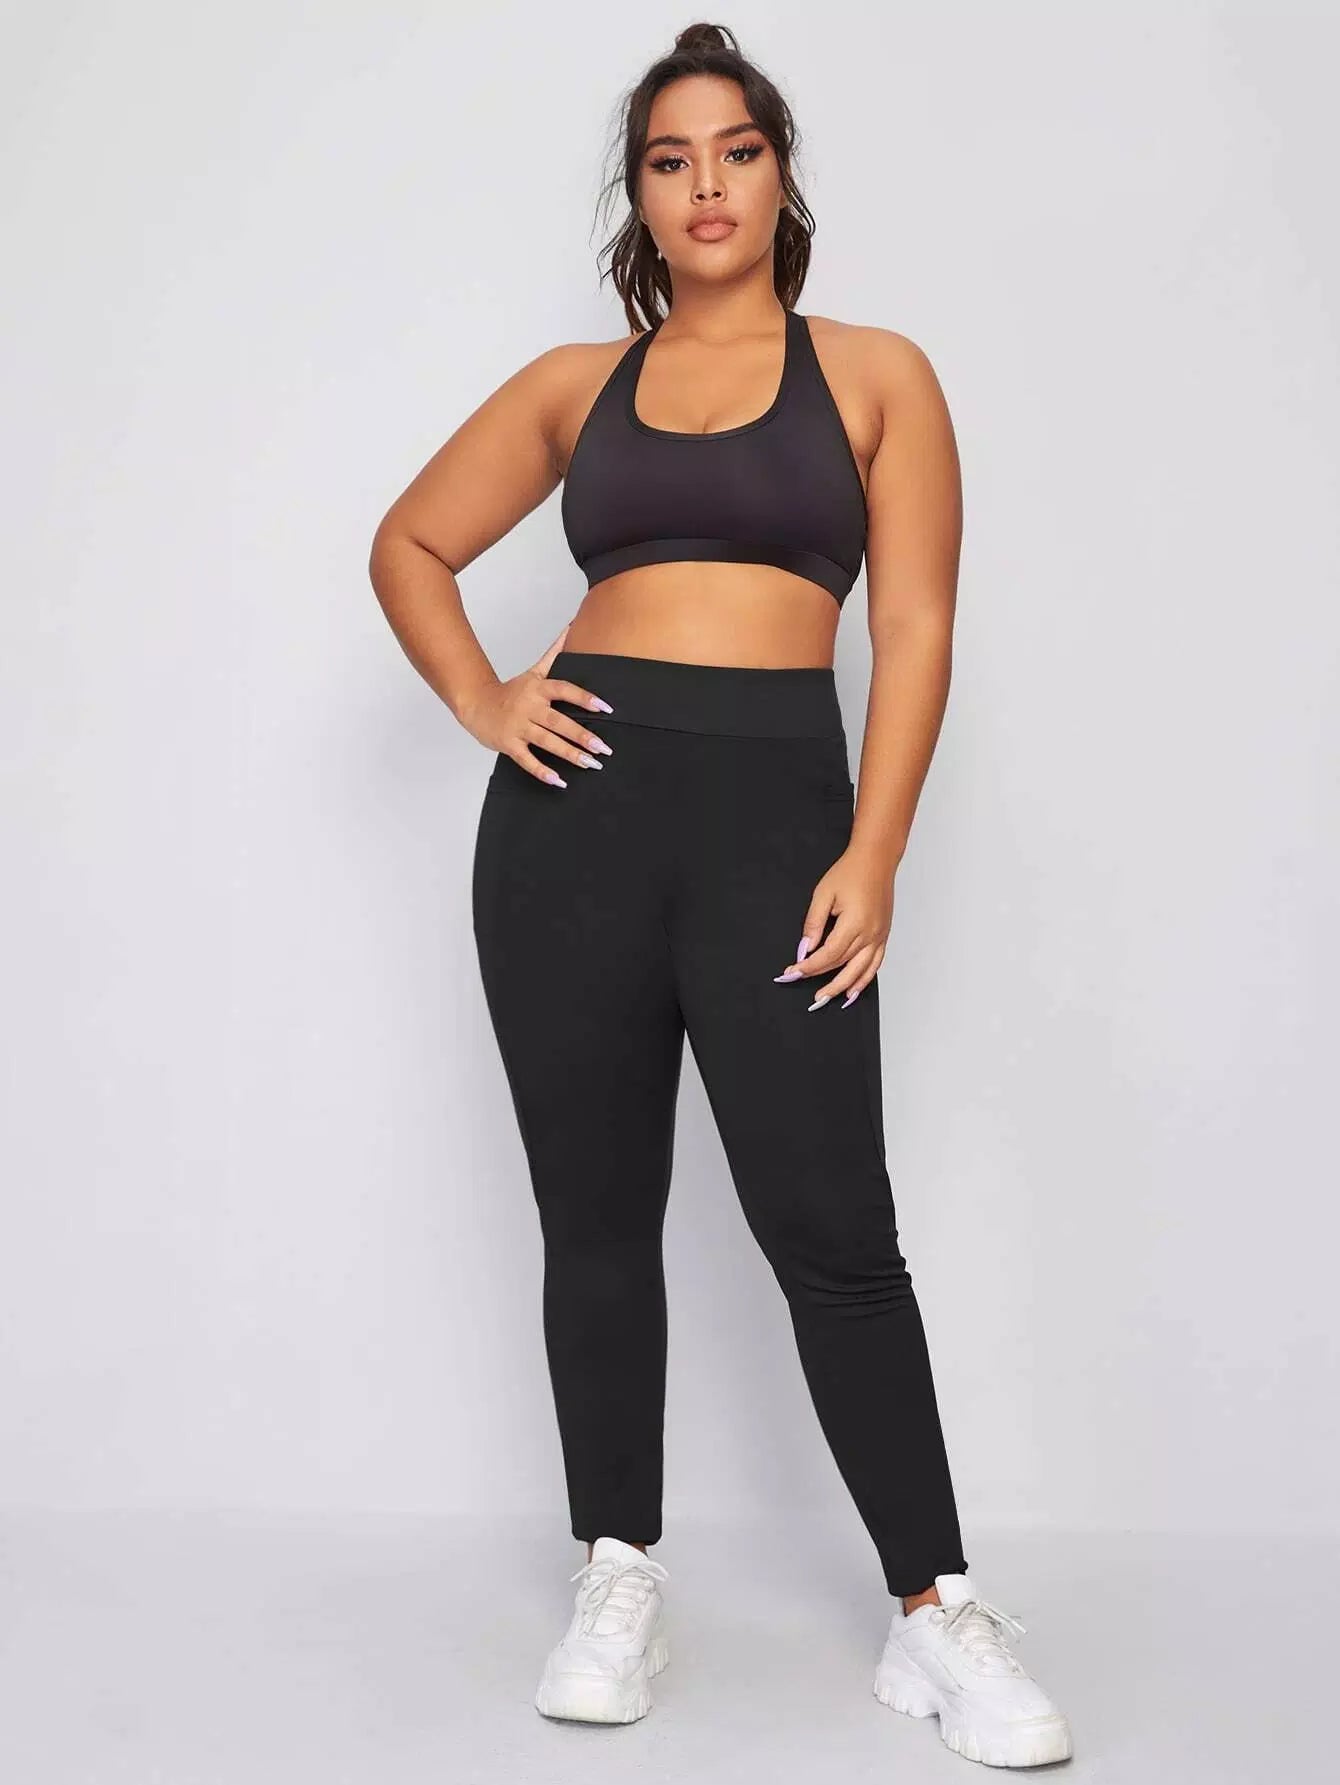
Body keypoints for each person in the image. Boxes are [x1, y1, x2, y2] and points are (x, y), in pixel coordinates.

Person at [369, 21, 1072, 1769]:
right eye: (671, 159)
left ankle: (936, 1610)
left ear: (780, 177)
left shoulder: (880, 374)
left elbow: (915, 625)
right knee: (597, 1216)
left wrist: (875, 848)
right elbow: (410, 542)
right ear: (640, 195)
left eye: (737, 152)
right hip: (574, 825)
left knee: (834, 1228)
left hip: (778, 823)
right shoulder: (571, 384)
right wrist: (486, 699)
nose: (706, 185)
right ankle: (618, 1568)